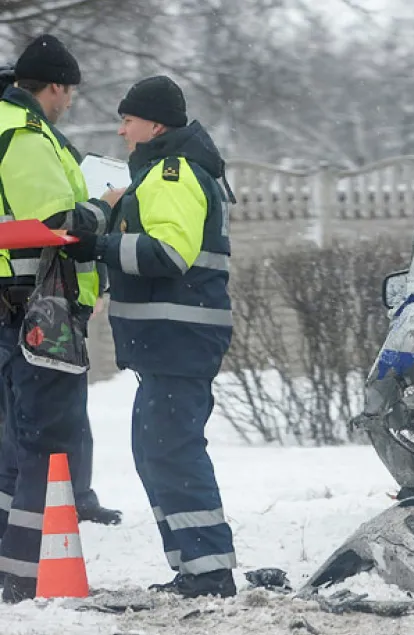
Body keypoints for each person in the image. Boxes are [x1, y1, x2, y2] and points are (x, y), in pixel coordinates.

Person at [62, 75, 238, 598]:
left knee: (171, 452)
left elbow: (169, 253)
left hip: (179, 337)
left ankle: (208, 573)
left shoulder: (172, 171)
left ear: (155, 125)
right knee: (158, 451)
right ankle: (196, 567)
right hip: (172, 339)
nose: (121, 131)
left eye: (128, 120)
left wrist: (101, 245)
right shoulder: (166, 172)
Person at [0, 34, 119, 602]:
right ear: (52, 87)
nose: (69, 102)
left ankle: (12, 567)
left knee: (13, 447)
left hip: (12, 304)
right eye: (68, 92)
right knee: (46, 446)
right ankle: (28, 577)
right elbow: (57, 223)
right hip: (32, 311)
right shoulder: (22, 134)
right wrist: (105, 206)